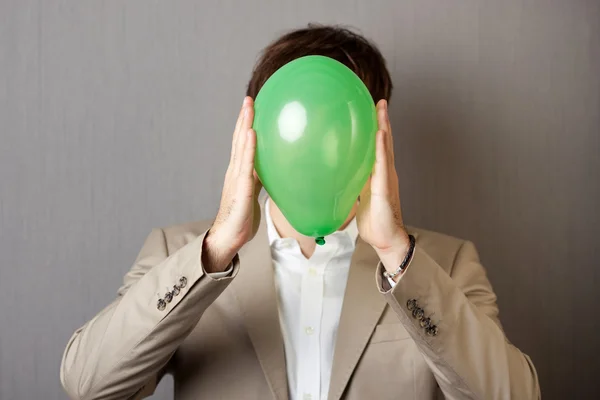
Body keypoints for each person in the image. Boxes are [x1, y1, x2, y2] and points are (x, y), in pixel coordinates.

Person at [60, 24, 541, 400]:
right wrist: (215, 251)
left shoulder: (444, 263)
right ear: (256, 134)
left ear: (376, 138)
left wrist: (398, 255)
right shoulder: (181, 255)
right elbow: (88, 385)